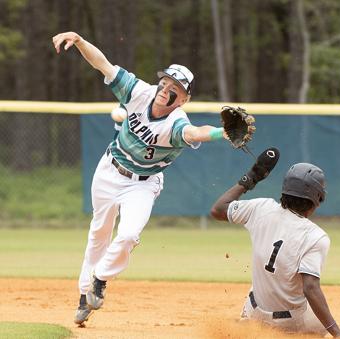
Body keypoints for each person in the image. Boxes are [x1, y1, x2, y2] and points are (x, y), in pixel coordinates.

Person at [52, 31, 226, 325]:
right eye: (166, 81)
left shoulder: (176, 123)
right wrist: (80, 41)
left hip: (143, 184)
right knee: (99, 233)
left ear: (184, 99)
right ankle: (85, 295)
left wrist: (222, 132)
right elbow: (103, 65)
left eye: (176, 87)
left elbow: (195, 133)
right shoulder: (139, 92)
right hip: (109, 170)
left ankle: (100, 279)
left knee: (129, 234)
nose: (166, 87)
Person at [210, 147, 340, 337]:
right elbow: (310, 288)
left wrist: (251, 178)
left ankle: (247, 324)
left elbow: (218, 210)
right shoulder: (315, 236)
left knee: (257, 295)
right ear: (317, 199)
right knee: (325, 332)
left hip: (254, 310)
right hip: (291, 321)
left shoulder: (261, 208)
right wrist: (336, 332)